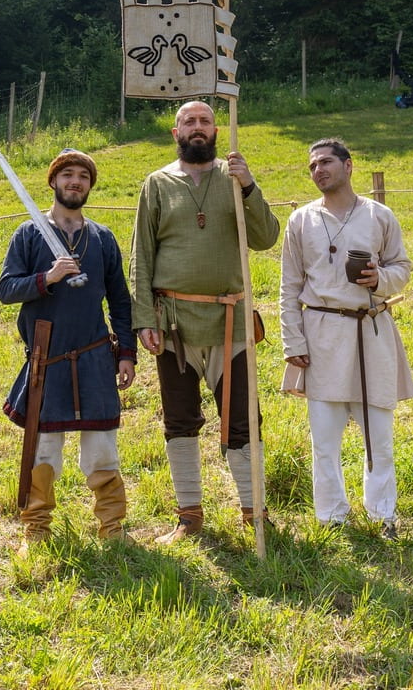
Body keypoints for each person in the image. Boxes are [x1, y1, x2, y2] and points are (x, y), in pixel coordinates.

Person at [129, 100, 280, 543]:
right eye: (189, 121)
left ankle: (254, 513)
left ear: (216, 130)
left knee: (244, 420)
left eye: (205, 121)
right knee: (180, 421)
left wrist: (248, 186)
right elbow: (141, 256)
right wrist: (144, 318)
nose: (198, 127)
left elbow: (266, 237)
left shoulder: (234, 179)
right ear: (175, 132)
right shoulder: (157, 183)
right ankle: (189, 516)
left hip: (230, 323)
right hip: (173, 325)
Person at [0, 149, 137, 550]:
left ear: (89, 186)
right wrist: (48, 278)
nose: (75, 182)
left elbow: (120, 300)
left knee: (102, 447)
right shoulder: (28, 234)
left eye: (83, 177)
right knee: (42, 449)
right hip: (48, 357)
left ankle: (112, 528)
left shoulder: (102, 238)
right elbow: (6, 289)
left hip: (95, 354)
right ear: (54, 181)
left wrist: (126, 353)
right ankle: (37, 528)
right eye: (68, 175)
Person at [279, 138, 413, 539]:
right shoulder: (301, 220)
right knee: (324, 439)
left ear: (348, 165)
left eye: (325, 162)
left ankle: (383, 515)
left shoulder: (379, 216)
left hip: (370, 331)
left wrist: (380, 279)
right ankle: (332, 517)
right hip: (321, 335)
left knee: (379, 437)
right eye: (312, 166)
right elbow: (289, 287)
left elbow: (402, 267)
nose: (318, 170)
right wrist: (293, 342)